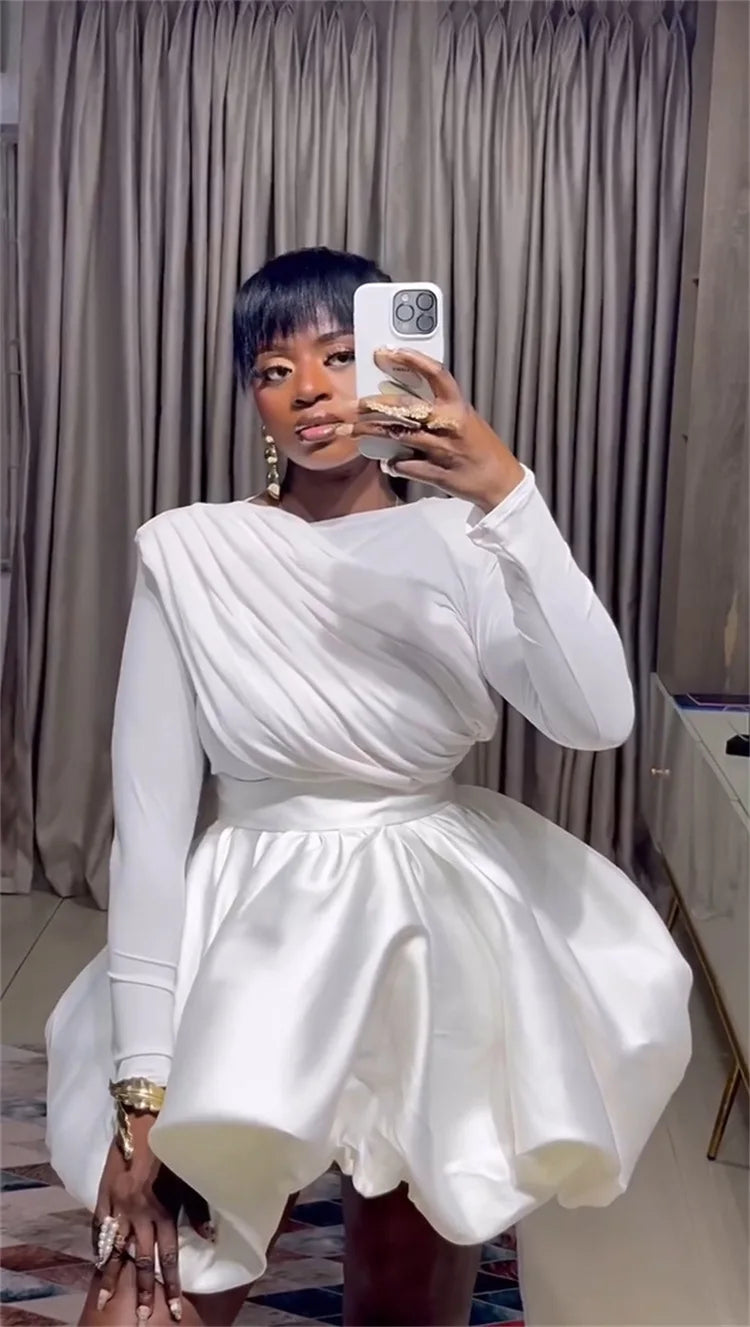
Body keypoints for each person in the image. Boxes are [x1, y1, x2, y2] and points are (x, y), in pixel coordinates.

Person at [46, 247, 692, 1327]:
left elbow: (597, 719)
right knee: (152, 1277)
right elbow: (149, 833)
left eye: (341, 355)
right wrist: (141, 1092)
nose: (309, 389)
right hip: (248, 926)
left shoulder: (468, 540)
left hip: (431, 931)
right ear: (252, 396)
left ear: (397, 360)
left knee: (405, 1292)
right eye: (273, 367)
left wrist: (511, 498)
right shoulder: (194, 552)